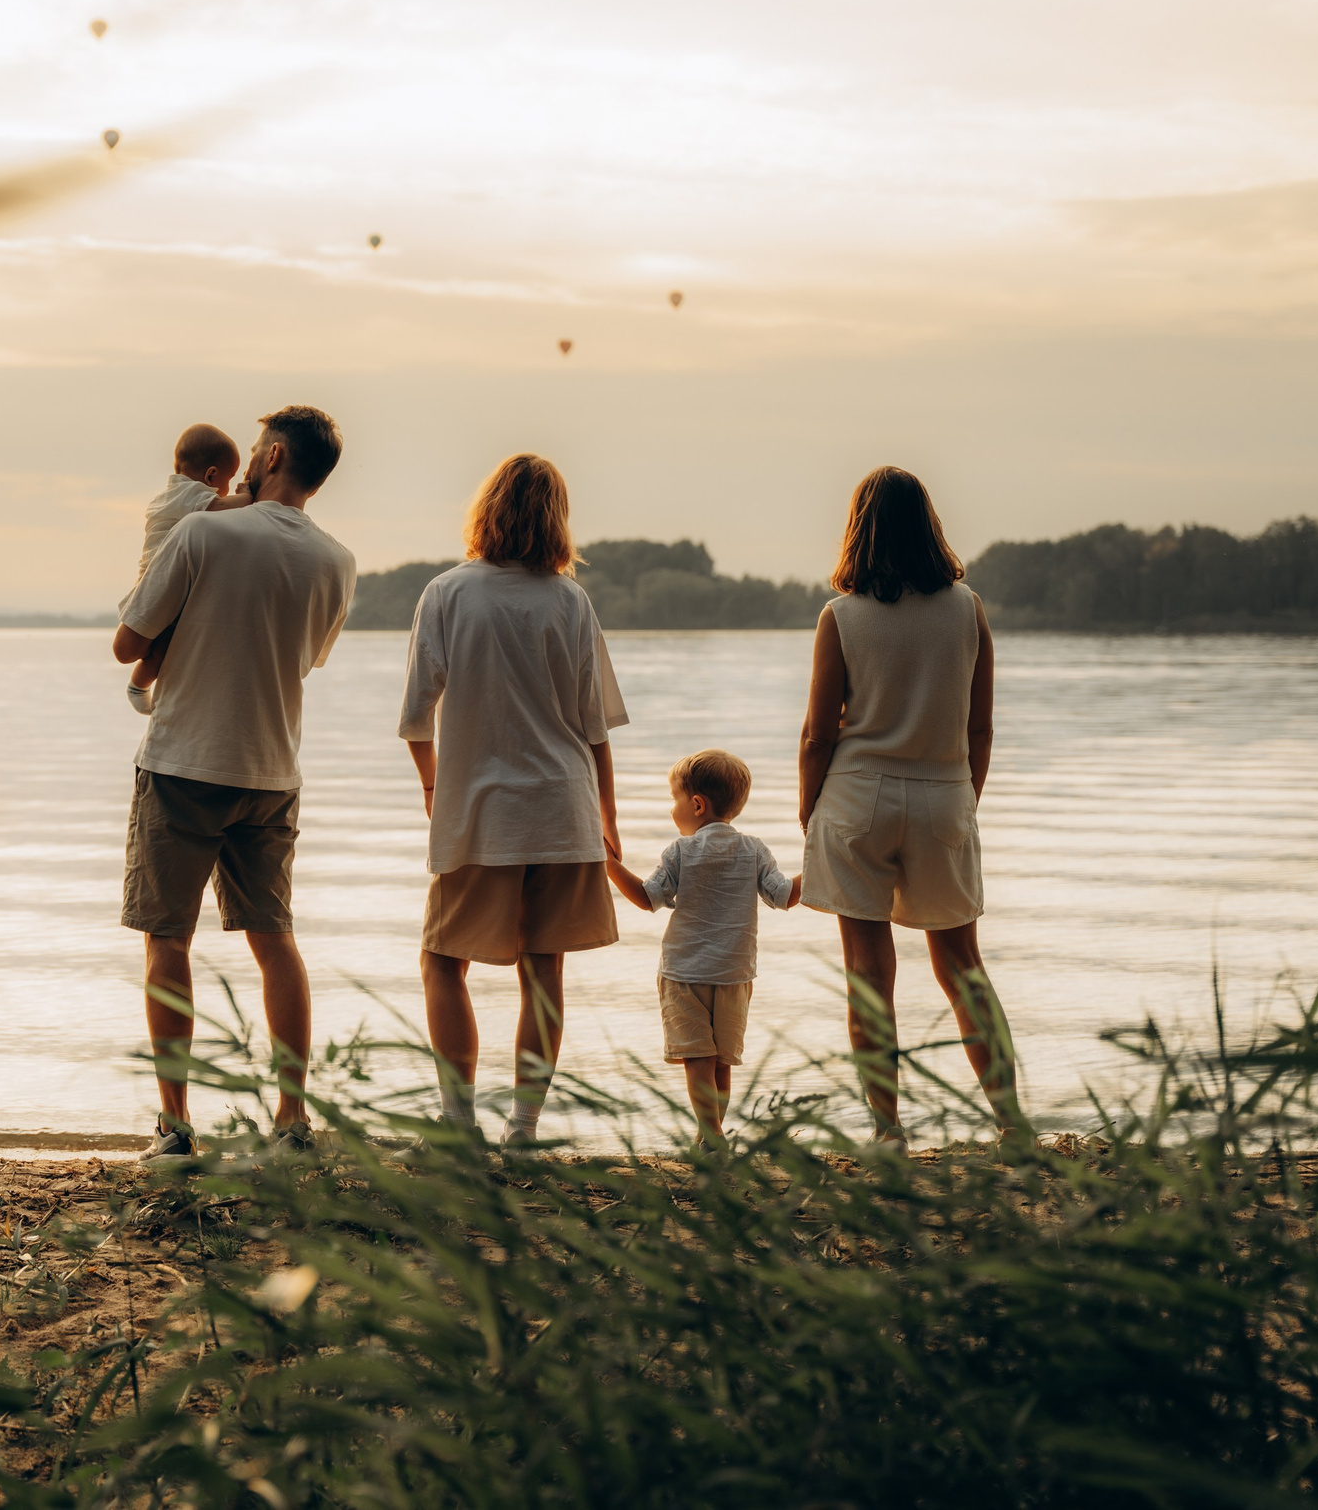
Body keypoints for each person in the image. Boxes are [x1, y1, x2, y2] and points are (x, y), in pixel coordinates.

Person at [114, 406, 357, 1160]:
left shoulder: (200, 532)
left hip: (184, 761)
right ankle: (291, 1124)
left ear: (274, 454)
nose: (249, 458)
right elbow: (309, 658)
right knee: (275, 941)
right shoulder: (338, 562)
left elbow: (129, 644)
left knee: (167, 942)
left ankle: (176, 1127)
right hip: (271, 769)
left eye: (256, 449)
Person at [398, 453, 627, 1146]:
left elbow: (416, 719)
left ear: (486, 510)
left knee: (443, 962)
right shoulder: (570, 601)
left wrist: (437, 790)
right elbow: (593, 732)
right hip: (564, 810)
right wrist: (609, 824)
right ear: (557, 518)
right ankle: (523, 1131)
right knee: (543, 972)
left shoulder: (448, 593)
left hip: (480, 811)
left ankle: (458, 1123)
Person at [796, 465, 1022, 1142]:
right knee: (963, 969)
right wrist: (963, 800)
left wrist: (811, 816)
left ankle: (888, 1132)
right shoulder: (968, 608)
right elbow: (979, 728)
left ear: (857, 528)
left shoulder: (841, 616)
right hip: (943, 795)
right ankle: (1012, 1127)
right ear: (929, 523)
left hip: (856, 798)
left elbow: (817, 733)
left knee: (868, 972)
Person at [603, 749, 799, 1146]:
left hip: (684, 972)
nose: (672, 808)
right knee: (722, 1061)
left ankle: (710, 1136)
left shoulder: (681, 851)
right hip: (735, 975)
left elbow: (647, 898)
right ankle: (710, 1136)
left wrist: (606, 863)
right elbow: (784, 896)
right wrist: (821, 861)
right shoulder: (755, 849)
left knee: (698, 1059)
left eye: (674, 798)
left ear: (696, 804)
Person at [122, 423, 255, 715]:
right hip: (161, 583)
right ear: (210, 475)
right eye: (229, 479)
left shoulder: (168, 496)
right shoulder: (190, 496)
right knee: (161, 644)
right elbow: (222, 509)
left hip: (152, 579)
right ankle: (138, 685)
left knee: (159, 645)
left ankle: (140, 684)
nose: (228, 488)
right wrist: (247, 494)